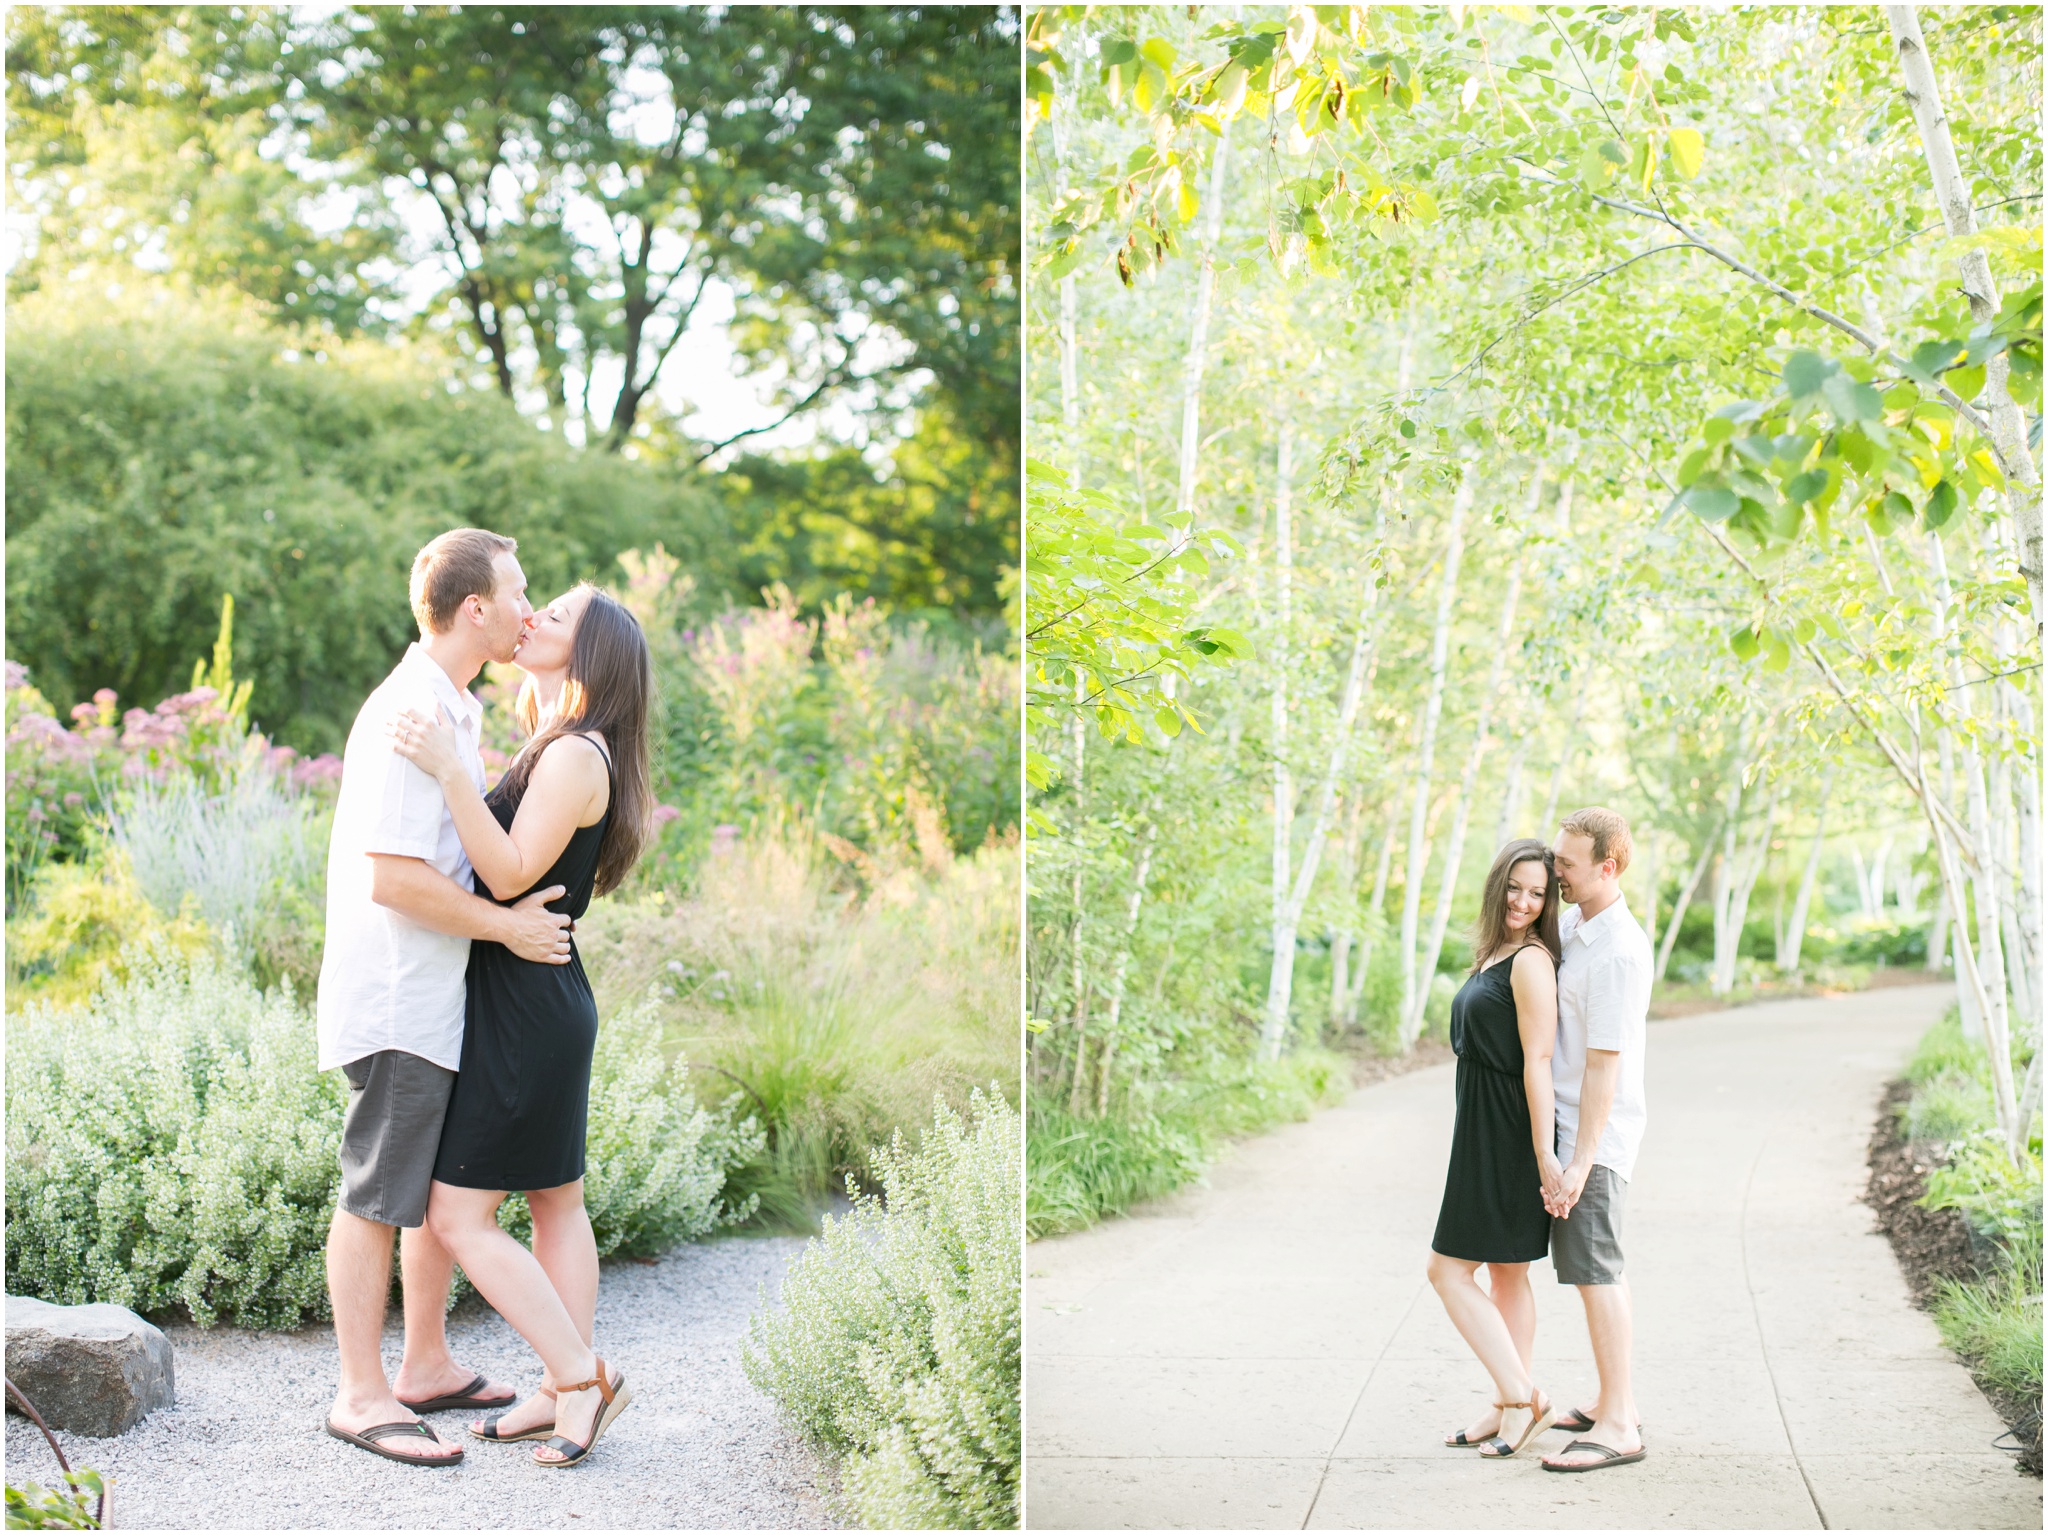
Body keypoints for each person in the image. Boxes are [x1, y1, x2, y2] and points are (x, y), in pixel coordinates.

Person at [317, 528, 574, 1467]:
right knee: (378, 1195)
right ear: (475, 608)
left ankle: (423, 1363)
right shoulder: (409, 712)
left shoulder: (453, 710)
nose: (526, 607)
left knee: (426, 1193)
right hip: (395, 997)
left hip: (436, 996)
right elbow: (392, 878)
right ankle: (359, 1391)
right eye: (517, 591)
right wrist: (509, 927)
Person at [388, 581, 654, 1469]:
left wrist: (450, 770)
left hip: (527, 1005)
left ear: (593, 654)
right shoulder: (563, 737)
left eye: (557, 615)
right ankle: (556, 1390)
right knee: (555, 1199)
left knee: (457, 1214)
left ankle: (582, 1376)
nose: (532, 616)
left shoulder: (578, 754)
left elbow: (503, 876)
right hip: (536, 994)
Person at [1427, 837, 1564, 1459]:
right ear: (1498, 884)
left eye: (1538, 893)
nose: (1525, 901)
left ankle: (1522, 1393)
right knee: (1508, 1274)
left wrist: (1542, 1154)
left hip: (1509, 1131)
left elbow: (1538, 1061)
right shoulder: (1493, 952)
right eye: (1517, 887)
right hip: (1481, 1125)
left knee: (1447, 1270)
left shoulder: (1531, 961)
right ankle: (1507, 1406)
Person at [1540, 806, 1653, 1473]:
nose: (1557, 871)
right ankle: (1616, 1398)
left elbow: (1604, 1064)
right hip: (1570, 1127)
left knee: (1595, 1270)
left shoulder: (1616, 951)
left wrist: (1581, 1160)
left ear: (1607, 867)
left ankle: (1619, 1425)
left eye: (1568, 864)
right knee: (1596, 1270)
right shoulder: (1580, 925)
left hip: (1597, 1138)